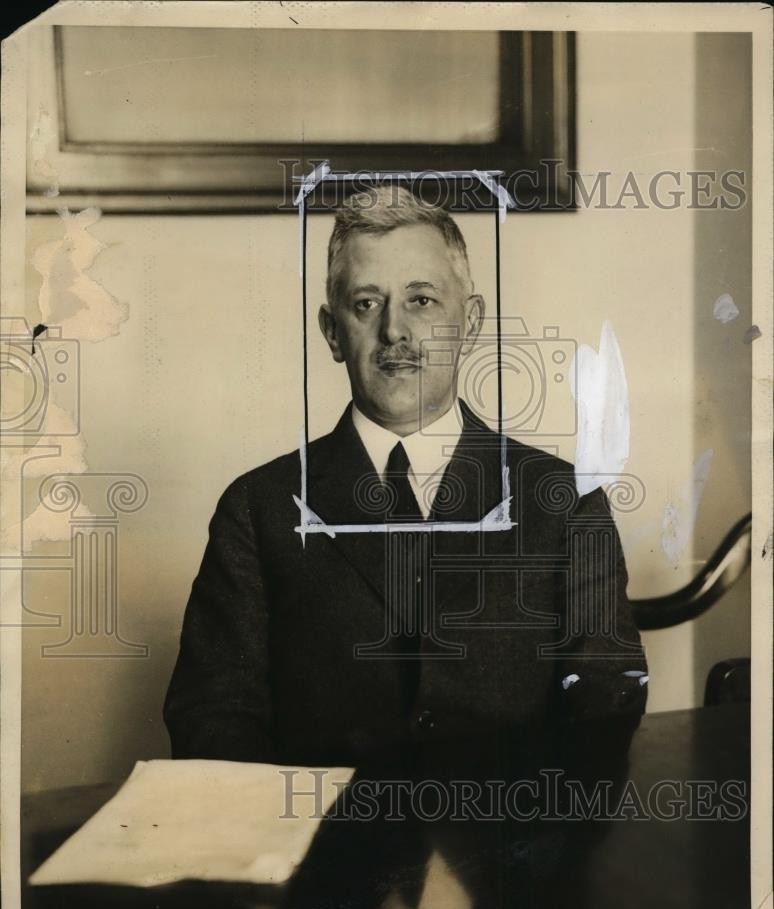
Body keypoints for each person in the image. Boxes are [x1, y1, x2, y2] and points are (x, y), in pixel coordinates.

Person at [163, 185, 648, 773]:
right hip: (320, 847)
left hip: (507, 845)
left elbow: (605, 696)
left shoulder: (566, 500)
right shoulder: (258, 507)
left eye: (422, 300)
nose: (395, 331)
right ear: (332, 331)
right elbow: (213, 713)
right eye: (366, 303)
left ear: (470, 321)